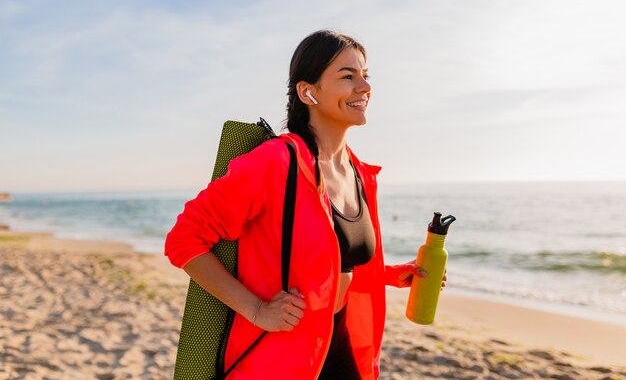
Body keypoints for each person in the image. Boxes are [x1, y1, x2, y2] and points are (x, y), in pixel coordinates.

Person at [165, 30, 446, 380]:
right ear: (308, 91)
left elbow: (331, 258)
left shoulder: (358, 172)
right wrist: (256, 310)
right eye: (348, 76)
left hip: (337, 338)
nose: (364, 86)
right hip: (281, 354)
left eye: (365, 75)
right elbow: (183, 240)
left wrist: (389, 275)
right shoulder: (275, 163)